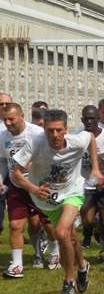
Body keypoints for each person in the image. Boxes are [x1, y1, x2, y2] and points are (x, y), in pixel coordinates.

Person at [12, 109, 101, 294]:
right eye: (50, 130)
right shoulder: (35, 143)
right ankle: (83, 266)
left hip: (72, 193)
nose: (54, 135)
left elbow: (91, 138)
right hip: (46, 200)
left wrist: (95, 167)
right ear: (44, 129)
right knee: (71, 238)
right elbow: (15, 173)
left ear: (66, 129)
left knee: (61, 233)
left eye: (59, 130)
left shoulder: (77, 141)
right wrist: (33, 188)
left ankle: (69, 282)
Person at [0, 103, 54, 277]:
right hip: (17, 185)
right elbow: (2, 161)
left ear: (22, 116)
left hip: (40, 184)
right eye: (4, 119)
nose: (7, 123)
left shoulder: (37, 134)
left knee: (48, 223)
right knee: (15, 225)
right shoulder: (2, 137)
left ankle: (54, 249)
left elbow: (52, 156)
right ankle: (17, 266)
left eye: (11, 119)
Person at [78, 105, 104, 261]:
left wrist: (103, 180)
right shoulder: (78, 136)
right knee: (87, 219)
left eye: (92, 118)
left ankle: (103, 248)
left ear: (98, 119)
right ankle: (92, 231)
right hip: (85, 185)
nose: (89, 121)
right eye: (86, 118)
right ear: (82, 119)